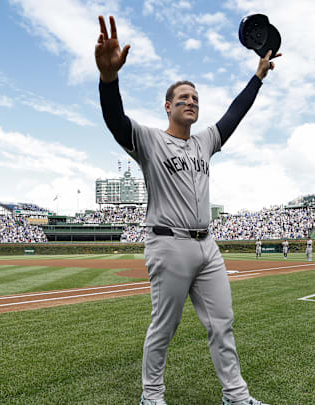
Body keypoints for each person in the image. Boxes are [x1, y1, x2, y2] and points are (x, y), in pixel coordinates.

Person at [95, 15, 279, 405]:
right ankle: (151, 395)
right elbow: (114, 121)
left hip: (207, 246)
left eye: (195, 99)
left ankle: (236, 396)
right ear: (168, 107)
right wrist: (109, 80)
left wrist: (258, 76)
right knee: (165, 326)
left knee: (223, 324)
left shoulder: (205, 141)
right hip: (168, 244)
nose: (191, 103)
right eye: (183, 98)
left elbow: (234, 114)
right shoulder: (147, 140)